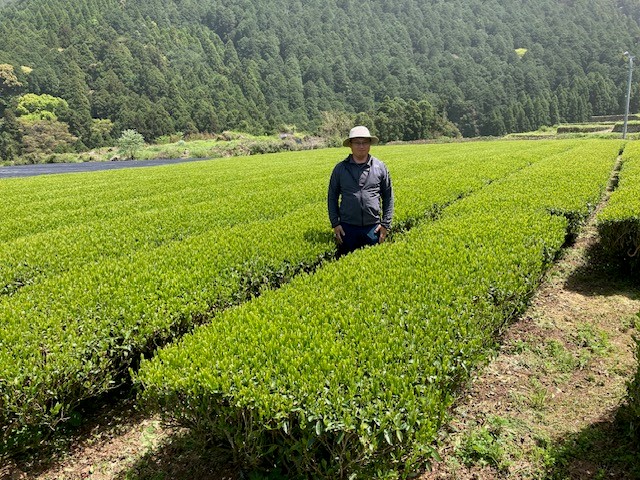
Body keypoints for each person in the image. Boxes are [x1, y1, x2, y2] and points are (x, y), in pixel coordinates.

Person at [327, 125, 394, 257]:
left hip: (373, 228)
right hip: (347, 229)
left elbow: (388, 197)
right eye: (357, 142)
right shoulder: (340, 169)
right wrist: (335, 223)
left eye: (365, 142)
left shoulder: (380, 167)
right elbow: (332, 197)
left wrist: (385, 224)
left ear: (370, 144)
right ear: (350, 145)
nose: (361, 146)